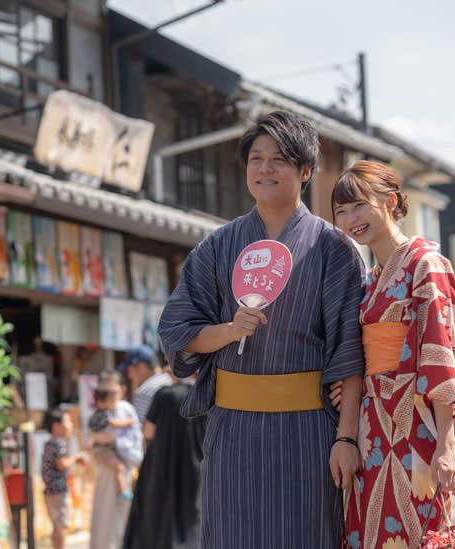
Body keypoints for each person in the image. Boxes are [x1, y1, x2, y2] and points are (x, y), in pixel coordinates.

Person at [158, 111, 366, 548]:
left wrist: (346, 436)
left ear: (306, 171)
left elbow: (350, 350)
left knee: (307, 535)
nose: (265, 168)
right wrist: (229, 330)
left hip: (308, 434)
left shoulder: (334, 249)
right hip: (233, 431)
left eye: (280, 160)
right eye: (256, 158)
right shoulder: (217, 246)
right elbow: (178, 329)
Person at [330, 160, 455, 548]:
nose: (350, 219)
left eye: (360, 206)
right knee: (373, 533)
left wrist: (446, 445)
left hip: (415, 425)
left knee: (416, 530)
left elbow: (440, 352)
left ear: (391, 201)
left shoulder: (425, 264)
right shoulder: (373, 277)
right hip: (373, 422)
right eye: (341, 212)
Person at [123, 369, 206, 549]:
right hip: (194, 462)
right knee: (191, 510)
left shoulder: (165, 395)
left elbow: (149, 431)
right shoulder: (205, 394)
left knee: (158, 508)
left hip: (162, 461)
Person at [42, 409, 88, 549]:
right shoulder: (58, 443)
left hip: (50, 490)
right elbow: (62, 464)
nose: (71, 425)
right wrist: (77, 458)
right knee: (62, 526)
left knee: (57, 526)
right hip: (59, 490)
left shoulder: (49, 443)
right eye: (67, 421)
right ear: (56, 426)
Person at [88, 384, 137, 500]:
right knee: (118, 468)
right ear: (100, 402)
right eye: (111, 400)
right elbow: (114, 423)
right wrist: (129, 422)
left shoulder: (100, 413)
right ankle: (123, 492)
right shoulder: (102, 414)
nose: (114, 403)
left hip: (103, 449)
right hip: (102, 449)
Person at [118, 345, 172, 423]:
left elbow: (142, 431)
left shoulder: (144, 391)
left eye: (129, 371)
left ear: (141, 366)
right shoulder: (169, 380)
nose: (129, 376)